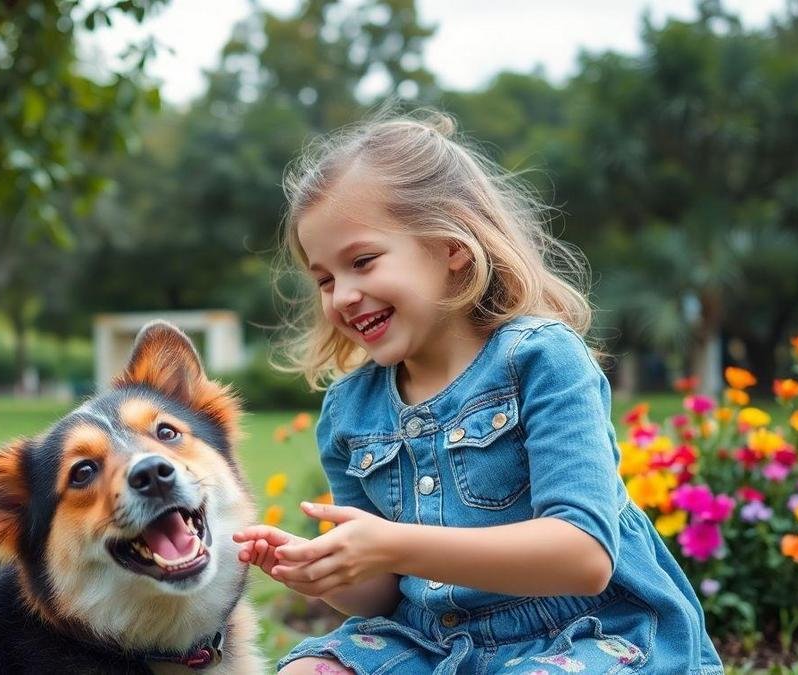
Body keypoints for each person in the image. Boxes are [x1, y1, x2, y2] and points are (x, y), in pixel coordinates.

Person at [233, 111, 723, 674]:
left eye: (362, 262)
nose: (342, 295)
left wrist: (393, 544)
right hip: (437, 642)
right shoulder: (350, 411)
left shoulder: (540, 358)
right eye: (324, 279)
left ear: (451, 247)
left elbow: (583, 556)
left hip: (587, 634)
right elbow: (384, 597)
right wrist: (330, 572)